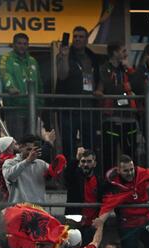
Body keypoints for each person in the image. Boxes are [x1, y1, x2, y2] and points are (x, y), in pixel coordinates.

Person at [55, 25, 100, 159]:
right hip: (68, 107)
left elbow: (99, 78)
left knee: (90, 145)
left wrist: (99, 90)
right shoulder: (66, 54)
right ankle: (69, 176)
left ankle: (90, 176)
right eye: (75, 36)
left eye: (81, 37)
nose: (77, 39)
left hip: (88, 107)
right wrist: (64, 57)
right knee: (68, 145)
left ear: (87, 39)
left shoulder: (92, 56)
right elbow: (62, 75)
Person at [95, 42, 137, 171]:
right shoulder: (104, 68)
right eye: (123, 51)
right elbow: (108, 87)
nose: (126, 54)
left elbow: (138, 85)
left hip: (129, 117)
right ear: (114, 53)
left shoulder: (126, 69)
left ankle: (131, 183)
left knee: (130, 154)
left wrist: (129, 69)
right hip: (111, 118)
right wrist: (124, 87)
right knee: (110, 154)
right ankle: (110, 184)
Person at [1, 130, 64, 204]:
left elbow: (53, 175)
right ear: (20, 147)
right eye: (29, 149)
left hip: (38, 208)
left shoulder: (41, 164)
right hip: (19, 209)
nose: (31, 153)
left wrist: (58, 167)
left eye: (34, 150)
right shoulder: (10, 162)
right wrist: (27, 161)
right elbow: (10, 176)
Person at [0, 32, 42, 140]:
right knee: (17, 142)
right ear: (13, 44)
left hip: (32, 109)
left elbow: (39, 82)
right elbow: (5, 74)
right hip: (15, 108)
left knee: (31, 143)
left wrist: (41, 102)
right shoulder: (7, 58)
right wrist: (10, 87)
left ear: (28, 45)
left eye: (24, 44)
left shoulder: (33, 61)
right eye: (19, 43)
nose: (22, 46)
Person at [62, 146, 99, 240]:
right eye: (83, 161)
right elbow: (67, 174)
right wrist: (76, 159)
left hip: (92, 223)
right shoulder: (74, 178)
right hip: (73, 222)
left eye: (89, 161)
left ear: (95, 164)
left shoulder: (99, 181)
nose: (85, 164)